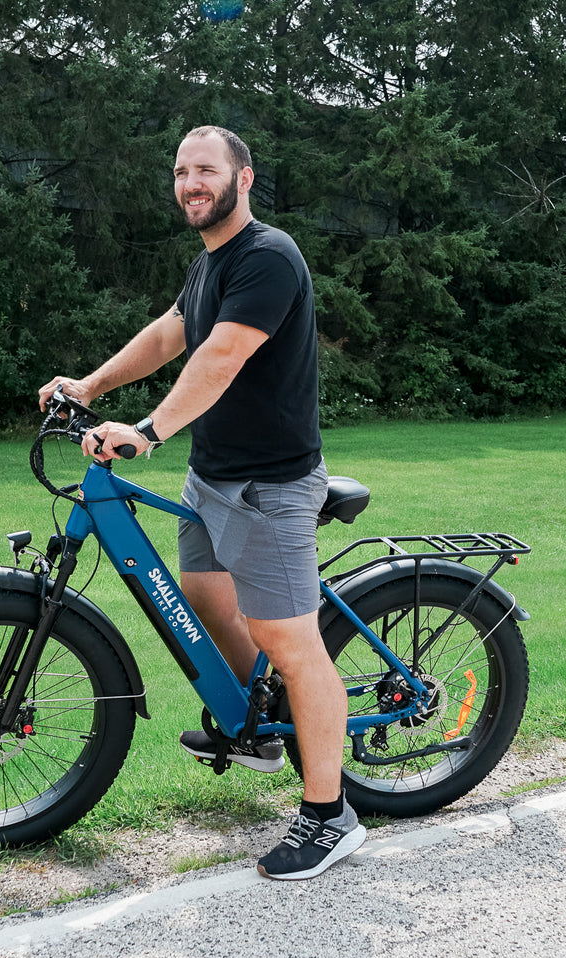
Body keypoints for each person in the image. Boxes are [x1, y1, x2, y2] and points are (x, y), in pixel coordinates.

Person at [37, 125, 365, 881]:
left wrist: (148, 429)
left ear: (242, 179)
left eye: (206, 170)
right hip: (215, 475)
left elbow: (219, 356)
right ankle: (261, 728)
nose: (191, 183)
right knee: (205, 597)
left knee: (290, 639)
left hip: (270, 485)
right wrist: (89, 387)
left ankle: (329, 815)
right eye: (182, 172)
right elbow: (173, 334)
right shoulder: (211, 262)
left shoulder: (268, 258)